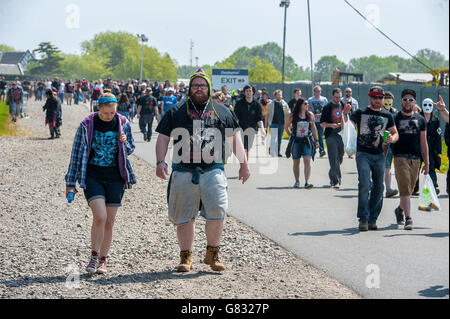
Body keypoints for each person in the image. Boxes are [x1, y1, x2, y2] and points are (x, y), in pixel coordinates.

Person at [155, 68, 250, 273]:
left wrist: (244, 164)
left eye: (203, 85)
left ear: (209, 88)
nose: (199, 89)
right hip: (183, 170)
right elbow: (163, 138)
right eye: (195, 85)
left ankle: (212, 254)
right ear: (190, 88)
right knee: (184, 216)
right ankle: (186, 256)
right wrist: (160, 161)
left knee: (217, 210)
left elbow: (235, 138)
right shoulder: (176, 111)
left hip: (213, 169)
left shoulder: (222, 111)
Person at [65, 93, 136, 274]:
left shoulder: (123, 122)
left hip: (116, 178)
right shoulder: (87, 124)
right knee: (100, 217)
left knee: (110, 222)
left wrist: (124, 143)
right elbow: (76, 153)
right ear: (98, 109)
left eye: (112, 112)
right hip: (92, 176)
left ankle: (103, 261)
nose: (109, 116)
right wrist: (70, 182)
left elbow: (130, 149)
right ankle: (93, 256)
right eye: (106, 113)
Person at [346, 86, 398, 231]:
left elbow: (395, 133)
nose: (377, 100)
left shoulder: (388, 115)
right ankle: (363, 218)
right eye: (375, 97)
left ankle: (372, 218)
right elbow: (349, 126)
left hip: (380, 155)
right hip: (363, 154)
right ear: (370, 97)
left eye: (380, 97)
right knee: (364, 184)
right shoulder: (361, 113)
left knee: (378, 187)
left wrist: (392, 139)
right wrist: (345, 115)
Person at [392, 89, 429, 230]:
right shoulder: (395, 118)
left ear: (415, 102)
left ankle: (399, 209)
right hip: (400, 157)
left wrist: (427, 162)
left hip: (416, 159)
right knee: (405, 187)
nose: (408, 102)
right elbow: (387, 137)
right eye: (405, 99)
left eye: (411, 100)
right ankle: (408, 218)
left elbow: (423, 143)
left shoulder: (420, 119)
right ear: (401, 101)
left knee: (410, 188)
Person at [284, 98, 318, 189]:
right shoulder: (292, 116)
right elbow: (286, 126)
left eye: (307, 104)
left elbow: (314, 128)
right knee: (296, 161)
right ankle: (297, 181)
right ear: (300, 105)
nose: (307, 105)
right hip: (296, 141)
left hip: (307, 141)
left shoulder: (310, 115)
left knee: (307, 160)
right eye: (305, 104)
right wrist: (291, 136)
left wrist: (316, 140)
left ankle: (307, 182)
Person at [413, 98, 443, 195]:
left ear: (433, 107)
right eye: (425, 105)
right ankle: (414, 188)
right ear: (422, 105)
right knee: (416, 167)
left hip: (430, 147)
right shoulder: (417, 117)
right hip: (418, 146)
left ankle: (433, 186)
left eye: (430, 105)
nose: (427, 107)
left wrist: (439, 151)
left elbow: (438, 136)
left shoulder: (435, 120)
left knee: (431, 166)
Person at [320, 88, 345, 188]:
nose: (338, 99)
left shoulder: (343, 105)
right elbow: (322, 123)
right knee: (333, 157)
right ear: (332, 96)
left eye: (339, 97)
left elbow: (347, 118)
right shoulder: (327, 107)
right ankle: (336, 180)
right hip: (330, 135)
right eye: (336, 97)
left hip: (341, 135)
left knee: (340, 157)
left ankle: (332, 173)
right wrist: (331, 125)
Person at [233, 84, 266, 158]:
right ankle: (245, 166)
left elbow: (259, 119)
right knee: (244, 147)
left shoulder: (257, 104)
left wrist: (262, 129)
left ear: (253, 92)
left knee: (248, 148)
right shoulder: (239, 103)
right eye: (247, 91)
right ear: (244, 92)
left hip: (252, 129)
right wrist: (235, 129)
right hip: (241, 128)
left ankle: (244, 164)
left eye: (250, 91)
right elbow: (236, 118)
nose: (248, 92)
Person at [382, 91, 399, 198]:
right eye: (386, 103)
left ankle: (388, 188)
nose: (388, 106)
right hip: (378, 143)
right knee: (376, 166)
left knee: (388, 167)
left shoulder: (395, 112)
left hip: (391, 143)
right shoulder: (377, 111)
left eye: (390, 103)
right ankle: (374, 185)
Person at [266, 90, 290, 157]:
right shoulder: (271, 104)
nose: (280, 96)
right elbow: (267, 115)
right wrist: (266, 125)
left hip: (282, 124)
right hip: (273, 123)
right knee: (274, 138)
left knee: (279, 139)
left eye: (281, 95)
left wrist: (288, 123)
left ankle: (277, 152)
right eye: (278, 95)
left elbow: (288, 113)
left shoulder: (284, 104)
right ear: (275, 95)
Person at [308, 86, 328, 157]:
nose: (317, 92)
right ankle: (312, 150)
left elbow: (327, 110)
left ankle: (321, 150)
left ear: (321, 91)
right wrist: (313, 114)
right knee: (312, 136)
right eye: (316, 91)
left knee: (320, 136)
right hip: (313, 121)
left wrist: (322, 114)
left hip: (321, 121)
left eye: (319, 91)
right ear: (314, 92)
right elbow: (308, 109)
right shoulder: (310, 100)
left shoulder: (324, 99)